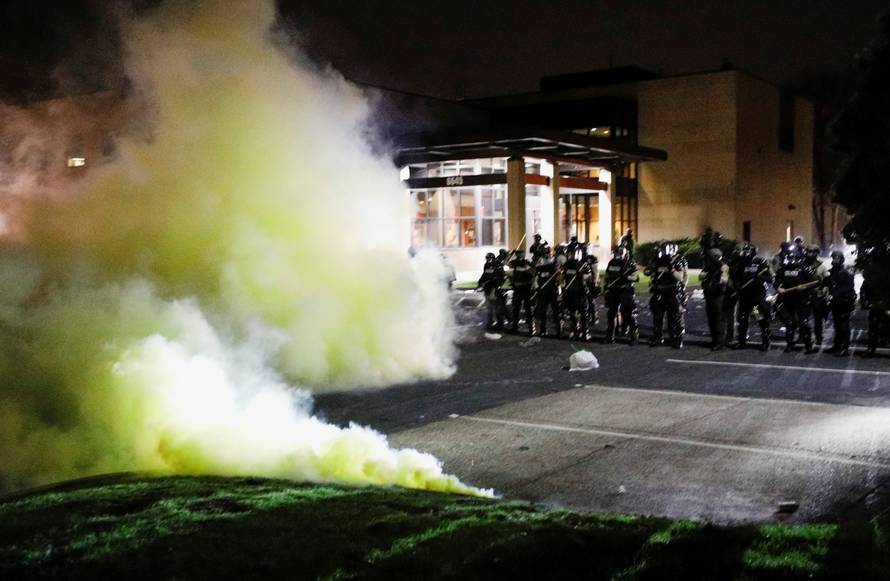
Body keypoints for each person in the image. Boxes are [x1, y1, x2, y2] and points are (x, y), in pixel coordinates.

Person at [731, 243, 773, 351]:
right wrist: (737, 286)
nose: (746, 253)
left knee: (760, 318)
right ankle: (742, 341)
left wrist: (759, 278)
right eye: (744, 251)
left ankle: (766, 341)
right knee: (743, 318)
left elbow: (770, 278)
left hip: (757, 297)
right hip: (745, 296)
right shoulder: (741, 263)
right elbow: (735, 277)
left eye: (748, 251)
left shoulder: (760, 262)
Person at [774, 249, 818, 353]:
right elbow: (776, 281)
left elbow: (815, 282)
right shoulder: (783, 269)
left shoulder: (805, 269)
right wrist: (778, 288)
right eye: (789, 258)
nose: (791, 260)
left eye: (793, 258)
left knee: (804, 323)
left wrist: (805, 287)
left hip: (802, 300)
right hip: (788, 300)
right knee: (789, 322)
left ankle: (808, 344)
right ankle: (789, 344)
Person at [646, 242, 687, 348]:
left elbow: (680, 277)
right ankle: (658, 338)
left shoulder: (677, 261)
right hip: (660, 291)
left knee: (675, 316)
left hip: (672, 291)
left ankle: (677, 339)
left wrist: (672, 269)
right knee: (657, 316)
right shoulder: (658, 260)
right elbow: (648, 272)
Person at [603, 246, 639, 344]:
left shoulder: (630, 263)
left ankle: (633, 336)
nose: (617, 254)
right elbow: (607, 275)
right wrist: (606, 285)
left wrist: (626, 277)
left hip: (625, 290)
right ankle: (610, 336)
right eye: (616, 252)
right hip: (613, 290)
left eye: (619, 253)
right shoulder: (612, 263)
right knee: (611, 314)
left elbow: (636, 277)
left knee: (628, 314)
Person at [826, 250, 856, 356]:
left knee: (844, 326)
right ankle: (837, 346)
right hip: (836, 303)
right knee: (837, 325)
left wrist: (836, 294)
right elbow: (828, 284)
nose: (835, 260)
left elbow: (848, 288)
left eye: (837, 258)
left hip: (845, 303)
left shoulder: (846, 273)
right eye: (833, 258)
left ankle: (845, 348)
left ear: (841, 259)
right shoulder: (832, 272)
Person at [700, 247, 730, 350]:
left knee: (718, 320)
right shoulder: (708, 266)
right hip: (709, 295)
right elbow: (701, 276)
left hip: (719, 296)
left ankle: (720, 342)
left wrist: (717, 278)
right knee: (711, 319)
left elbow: (724, 280)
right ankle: (714, 340)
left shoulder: (723, 266)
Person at [803, 245, 830, 348]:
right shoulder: (802, 265)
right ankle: (805, 337)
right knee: (803, 320)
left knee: (818, 320)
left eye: (812, 252)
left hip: (817, 297)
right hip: (804, 296)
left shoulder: (821, 267)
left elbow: (826, 283)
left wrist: (825, 297)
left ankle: (819, 337)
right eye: (808, 252)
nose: (809, 254)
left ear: (816, 254)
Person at [532, 243, 561, 337]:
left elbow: (559, 277)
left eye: (547, 253)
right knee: (542, 311)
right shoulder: (540, 263)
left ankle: (558, 331)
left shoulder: (554, 262)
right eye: (544, 253)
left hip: (552, 290)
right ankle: (543, 330)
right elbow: (536, 277)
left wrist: (558, 278)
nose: (546, 255)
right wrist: (536, 287)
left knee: (556, 311)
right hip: (542, 291)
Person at [477, 252, 508, 330]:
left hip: (495, 289)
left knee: (498, 307)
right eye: (487, 258)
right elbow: (484, 275)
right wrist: (480, 283)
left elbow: (500, 278)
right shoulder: (486, 265)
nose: (488, 260)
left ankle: (501, 325)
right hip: (488, 288)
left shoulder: (497, 265)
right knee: (489, 307)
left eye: (489, 258)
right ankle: (489, 323)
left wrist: (494, 290)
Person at [561, 251, 588, 339]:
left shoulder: (570, 265)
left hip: (571, 291)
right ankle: (582, 331)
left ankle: (577, 330)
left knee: (574, 312)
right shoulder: (578, 265)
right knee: (581, 312)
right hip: (576, 292)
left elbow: (563, 278)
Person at [508, 249, 535, 335]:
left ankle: (531, 328)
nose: (520, 255)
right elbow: (507, 265)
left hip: (525, 288)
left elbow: (532, 273)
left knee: (527, 308)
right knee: (516, 308)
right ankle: (515, 327)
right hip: (517, 288)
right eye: (518, 254)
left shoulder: (526, 263)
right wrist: (510, 255)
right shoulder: (514, 263)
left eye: (521, 254)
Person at [582, 252, 601, 332]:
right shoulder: (589, 263)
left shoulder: (593, 265)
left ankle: (594, 317)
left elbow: (595, 276)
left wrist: (595, 285)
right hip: (589, 284)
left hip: (592, 284)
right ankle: (591, 316)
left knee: (591, 301)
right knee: (588, 301)